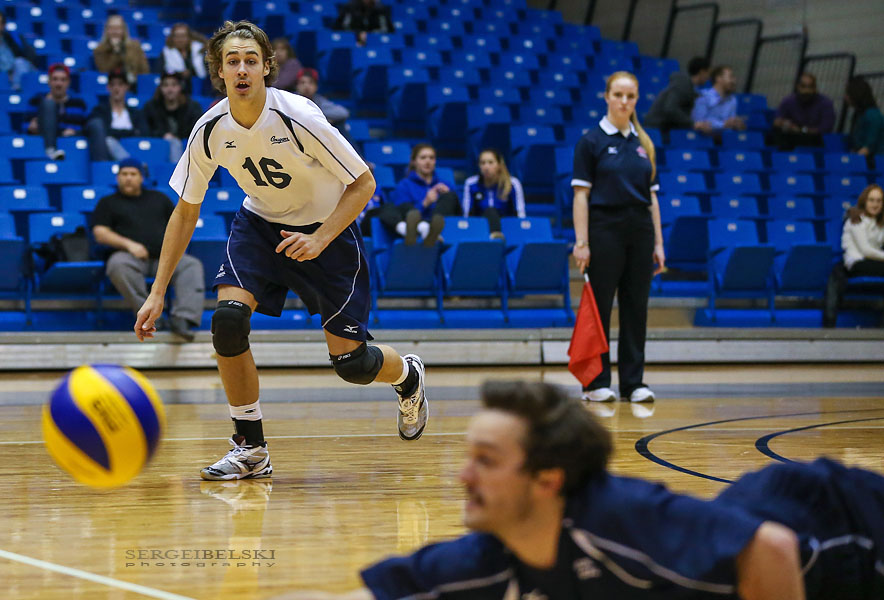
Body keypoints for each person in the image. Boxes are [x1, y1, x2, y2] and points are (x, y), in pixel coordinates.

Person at [134, 20, 430, 480]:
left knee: (352, 363)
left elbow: (364, 182)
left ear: (268, 67)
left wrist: (321, 237)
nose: (242, 69)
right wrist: (157, 292)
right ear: (219, 71)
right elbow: (185, 211)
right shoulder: (209, 129)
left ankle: (406, 375)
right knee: (228, 321)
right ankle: (250, 447)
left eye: (251, 60)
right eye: (232, 61)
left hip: (326, 232)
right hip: (260, 226)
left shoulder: (300, 116)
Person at [278, 381, 884, 600]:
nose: (463, 476)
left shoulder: (623, 520)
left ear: (548, 480)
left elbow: (772, 550)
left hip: (847, 525)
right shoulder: (500, 554)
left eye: (486, 461)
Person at [571, 71, 664, 404]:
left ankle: (633, 383)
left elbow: (652, 197)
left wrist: (658, 243)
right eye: (619, 95)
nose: (625, 102)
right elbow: (580, 195)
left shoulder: (644, 144)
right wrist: (581, 242)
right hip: (604, 231)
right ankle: (595, 382)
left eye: (631, 96)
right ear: (607, 96)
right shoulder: (591, 142)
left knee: (636, 307)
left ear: (636, 100)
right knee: (600, 307)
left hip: (640, 232)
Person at [92, 158, 205, 340]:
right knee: (117, 265)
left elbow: (180, 224)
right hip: (130, 258)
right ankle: (148, 317)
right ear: (117, 177)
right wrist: (130, 245)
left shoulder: (159, 198)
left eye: (133, 174)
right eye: (124, 174)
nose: (128, 178)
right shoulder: (107, 202)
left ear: (141, 177)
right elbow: (100, 232)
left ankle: (183, 319)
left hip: (164, 258)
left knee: (191, 265)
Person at [822, 184, 884, 328]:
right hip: (856, 263)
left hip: (873, 263)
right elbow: (866, 251)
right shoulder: (855, 219)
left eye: (879, 201)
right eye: (871, 200)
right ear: (864, 201)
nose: (875, 204)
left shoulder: (880, 223)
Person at [379, 143, 457, 246]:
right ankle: (427, 230)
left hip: (443, 225)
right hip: (416, 224)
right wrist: (425, 203)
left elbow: (459, 211)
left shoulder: (445, 184)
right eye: (423, 158)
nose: (428, 161)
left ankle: (432, 229)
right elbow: (402, 211)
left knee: (450, 196)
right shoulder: (405, 185)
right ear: (414, 161)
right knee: (405, 208)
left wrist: (447, 195)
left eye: (431, 158)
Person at [27, 63, 89, 161]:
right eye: (55, 79)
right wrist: (31, 127)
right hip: (42, 147)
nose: (59, 84)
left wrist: (76, 132)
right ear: (49, 81)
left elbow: (87, 128)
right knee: (48, 104)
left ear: (68, 82)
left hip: (73, 148)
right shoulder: (36, 101)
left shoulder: (78, 103)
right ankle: (50, 150)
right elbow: (25, 126)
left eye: (63, 80)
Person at [86, 69, 150, 161]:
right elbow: (100, 134)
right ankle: (132, 164)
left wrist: (114, 133)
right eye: (113, 85)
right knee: (109, 141)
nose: (116, 88)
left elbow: (144, 134)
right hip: (108, 156)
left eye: (120, 84)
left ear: (127, 87)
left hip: (132, 151)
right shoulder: (100, 111)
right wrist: (130, 133)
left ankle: (132, 164)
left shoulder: (136, 113)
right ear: (108, 87)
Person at [462, 148, 526, 239]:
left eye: (490, 162)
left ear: (499, 165)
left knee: (492, 211)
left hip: (507, 228)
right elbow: (467, 214)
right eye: (482, 163)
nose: (486, 167)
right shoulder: (471, 184)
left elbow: (520, 214)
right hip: (480, 228)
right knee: (490, 211)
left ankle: (497, 239)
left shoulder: (513, 184)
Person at [143, 72, 203, 162]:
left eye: (174, 85)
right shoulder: (151, 107)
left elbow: (198, 131)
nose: (170, 89)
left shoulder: (192, 107)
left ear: (180, 87)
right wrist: (163, 135)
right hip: (159, 149)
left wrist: (177, 138)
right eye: (166, 85)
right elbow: (145, 130)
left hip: (187, 147)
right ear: (161, 88)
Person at [643, 56, 712, 134]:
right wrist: (693, 124)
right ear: (702, 72)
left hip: (667, 128)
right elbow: (670, 109)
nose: (708, 77)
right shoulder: (682, 85)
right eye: (708, 73)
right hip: (658, 129)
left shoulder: (690, 88)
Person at [771, 72, 836, 151]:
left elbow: (825, 129)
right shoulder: (788, 101)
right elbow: (776, 121)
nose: (806, 90)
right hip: (791, 138)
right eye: (803, 86)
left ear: (815, 88)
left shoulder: (825, 103)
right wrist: (785, 124)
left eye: (810, 87)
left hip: (814, 140)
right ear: (797, 87)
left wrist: (801, 130)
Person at [293, 67, 354, 146]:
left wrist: (319, 116)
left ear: (316, 87)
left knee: (338, 124)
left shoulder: (319, 100)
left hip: (315, 136)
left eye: (310, 83)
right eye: (302, 83)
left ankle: (351, 156)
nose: (306, 86)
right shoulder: (290, 99)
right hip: (296, 135)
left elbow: (344, 113)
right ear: (297, 86)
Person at [0, 9, 36, 91]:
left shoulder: (13, 37)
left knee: (19, 62)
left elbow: (29, 55)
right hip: (1, 77)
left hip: (22, 70)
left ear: (3, 25)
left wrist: (14, 74)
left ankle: (17, 90)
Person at [92, 15, 149, 86]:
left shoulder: (135, 46)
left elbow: (144, 70)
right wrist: (116, 50)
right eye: (111, 28)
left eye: (118, 28)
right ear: (106, 30)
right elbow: (104, 70)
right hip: (111, 87)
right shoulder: (99, 50)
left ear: (124, 30)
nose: (115, 31)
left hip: (135, 85)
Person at [692, 65, 746, 133]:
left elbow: (730, 123)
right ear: (719, 78)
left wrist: (736, 124)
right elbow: (698, 122)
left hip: (726, 139)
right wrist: (723, 124)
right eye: (731, 77)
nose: (734, 81)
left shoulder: (732, 100)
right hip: (705, 138)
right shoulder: (703, 97)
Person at [159, 23, 208, 93]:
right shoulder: (165, 53)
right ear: (172, 38)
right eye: (177, 36)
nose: (180, 39)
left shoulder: (200, 51)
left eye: (183, 36)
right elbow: (160, 73)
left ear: (189, 37)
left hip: (200, 88)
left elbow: (206, 72)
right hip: (176, 90)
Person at [844, 77, 884, 158]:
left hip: (874, 160)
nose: (845, 97)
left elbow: (869, 146)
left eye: (847, 93)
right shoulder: (860, 114)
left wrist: (853, 160)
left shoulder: (872, 115)